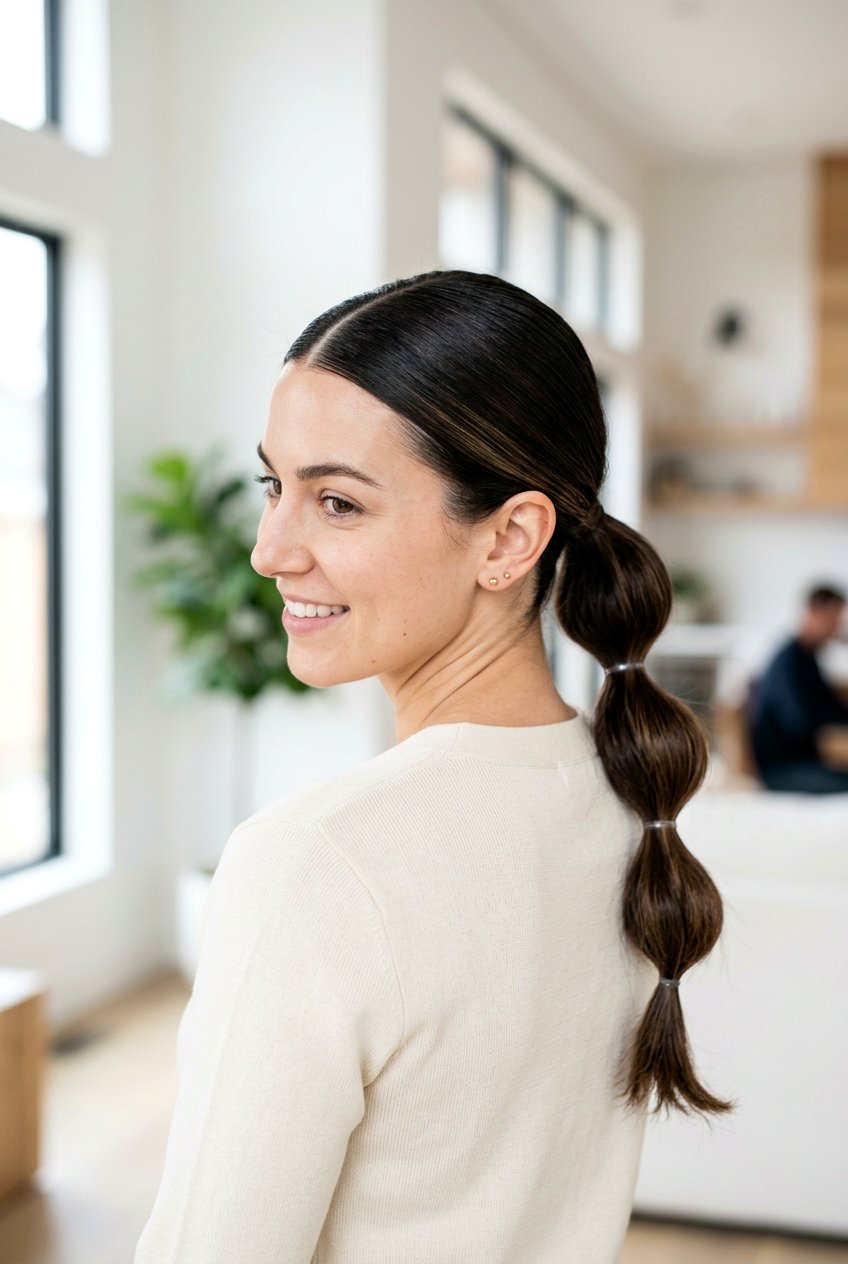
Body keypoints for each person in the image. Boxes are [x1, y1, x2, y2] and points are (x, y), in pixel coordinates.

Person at [134, 270, 733, 1264]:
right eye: (272, 487)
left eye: (336, 502)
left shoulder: (317, 861)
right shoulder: (624, 795)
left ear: (507, 537)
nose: (268, 549)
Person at [748, 584, 848, 794]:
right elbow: (802, 724)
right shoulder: (788, 662)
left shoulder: (809, 659)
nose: (838, 627)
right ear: (814, 613)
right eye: (834, 618)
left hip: (806, 762)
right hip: (783, 769)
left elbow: (831, 709)